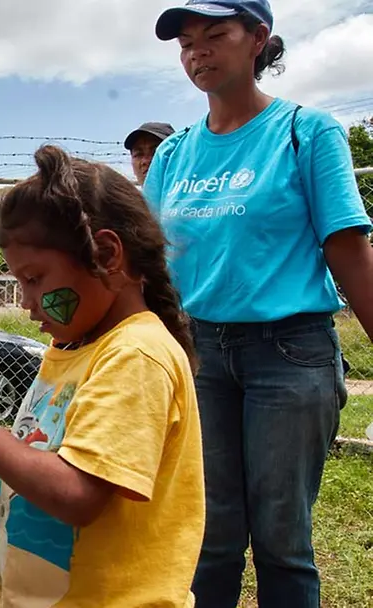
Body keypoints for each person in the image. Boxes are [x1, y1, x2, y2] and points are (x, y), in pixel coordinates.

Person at [0, 145, 206, 607]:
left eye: (35, 279)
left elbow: (78, 494)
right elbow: (37, 466)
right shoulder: (69, 348)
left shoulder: (135, 356)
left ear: (106, 255)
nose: (26, 303)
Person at [145, 2, 373, 606]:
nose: (198, 51)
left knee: (282, 538)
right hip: (201, 357)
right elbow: (149, 267)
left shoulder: (306, 131)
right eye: (187, 42)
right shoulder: (172, 156)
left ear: (258, 41)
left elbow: (348, 248)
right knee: (211, 534)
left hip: (290, 355)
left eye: (216, 34)